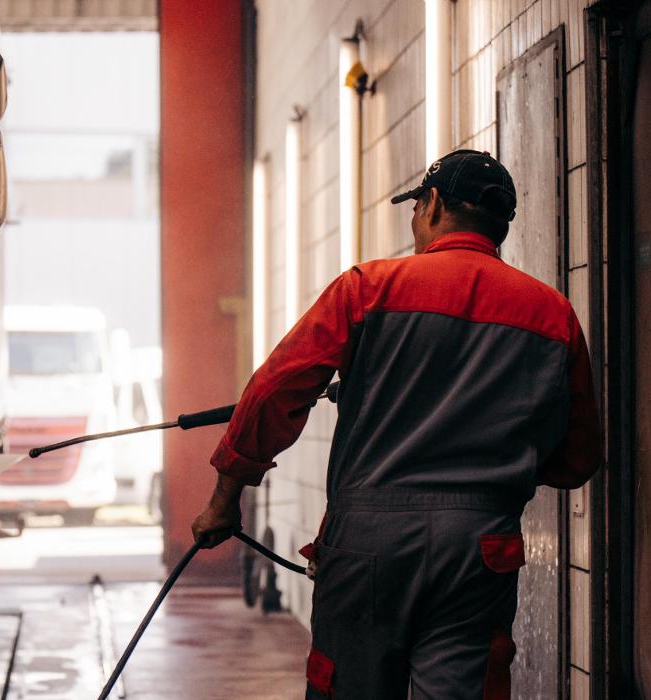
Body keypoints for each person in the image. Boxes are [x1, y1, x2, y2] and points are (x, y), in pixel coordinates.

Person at [191, 149, 601, 699]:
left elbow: (274, 390)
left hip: (368, 545)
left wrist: (224, 498)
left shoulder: (367, 288)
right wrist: (497, 466)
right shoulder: (552, 314)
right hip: (480, 547)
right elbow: (578, 459)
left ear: (431, 204)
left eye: (415, 209)